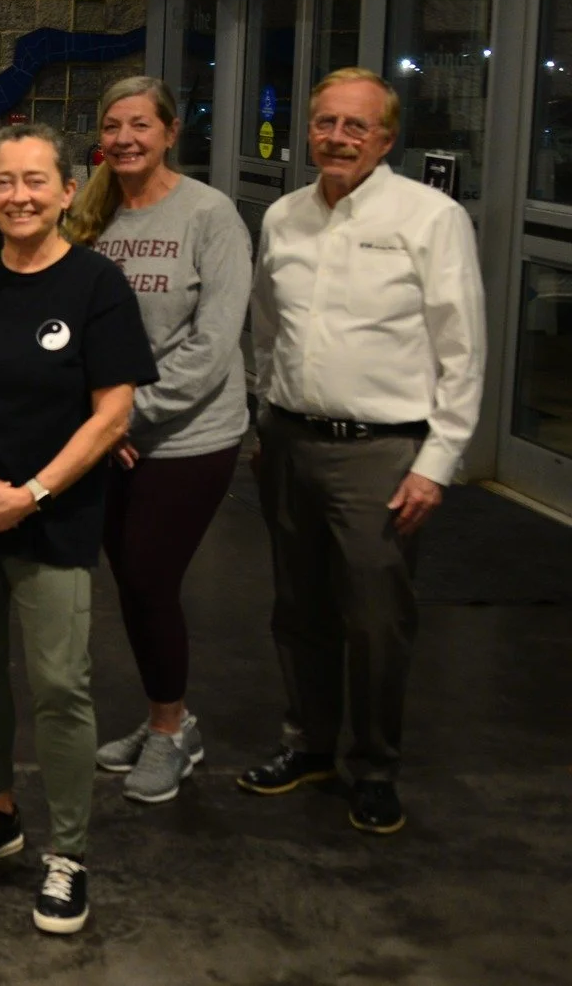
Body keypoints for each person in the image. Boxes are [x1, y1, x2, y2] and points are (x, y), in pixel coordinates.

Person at [0, 123, 158, 935]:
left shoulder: (95, 285)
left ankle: (70, 851)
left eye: (35, 181)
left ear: (65, 190)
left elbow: (112, 413)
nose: (19, 196)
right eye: (4, 182)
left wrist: (34, 493)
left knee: (59, 684)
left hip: (54, 518)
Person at [239, 67, 486, 836]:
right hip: (289, 439)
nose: (337, 138)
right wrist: (263, 416)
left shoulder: (431, 217)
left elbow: (462, 350)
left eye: (356, 126)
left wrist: (437, 462)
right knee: (298, 609)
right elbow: (268, 327)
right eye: (325, 122)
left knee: (377, 621)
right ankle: (309, 744)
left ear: (386, 138)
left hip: (381, 451)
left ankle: (375, 767)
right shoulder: (283, 216)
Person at [61, 76, 252, 805]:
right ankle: (162, 714)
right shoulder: (89, 213)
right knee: (133, 584)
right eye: (113, 125)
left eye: (141, 124)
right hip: (111, 433)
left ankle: (172, 730)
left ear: (171, 132)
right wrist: (100, 420)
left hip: (188, 435)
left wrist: (124, 418)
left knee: (148, 578)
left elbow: (212, 345)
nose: (126, 139)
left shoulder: (210, 215)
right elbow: (72, 325)